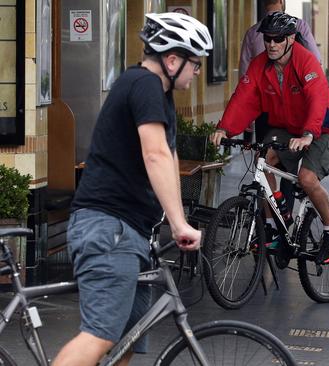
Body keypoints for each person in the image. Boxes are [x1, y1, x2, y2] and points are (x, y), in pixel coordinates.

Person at [52, 12, 210, 366]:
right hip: (110, 229)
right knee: (100, 335)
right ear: (172, 60)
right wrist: (181, 225)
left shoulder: (159, 95)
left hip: (132, 232)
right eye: (194, 64)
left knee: (125, 342)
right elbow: (154, 154)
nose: (197, 72)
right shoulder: (143, 85)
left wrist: (176, 220)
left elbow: (167, 157)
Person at [211, 12, 329, 266]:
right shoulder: (260, 64)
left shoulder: (306, 62)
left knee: (307, 178)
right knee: (264, 162)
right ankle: (274, 225)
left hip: (324, 128)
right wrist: (225, 129)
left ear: (291, 39)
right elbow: (244, 96)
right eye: (267, 39)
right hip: (288, 126)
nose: (271, 44)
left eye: (278, 39)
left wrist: (308, 134)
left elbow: (317, 98)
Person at [240, 0, 321, 143]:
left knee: (263, 155)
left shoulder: (253, 32)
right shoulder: (299, 26)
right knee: (294, 149)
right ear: (282, 2)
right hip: (295, 101)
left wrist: (245, 114)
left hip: (264, 104)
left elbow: (244, 75)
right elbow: (316, 60)